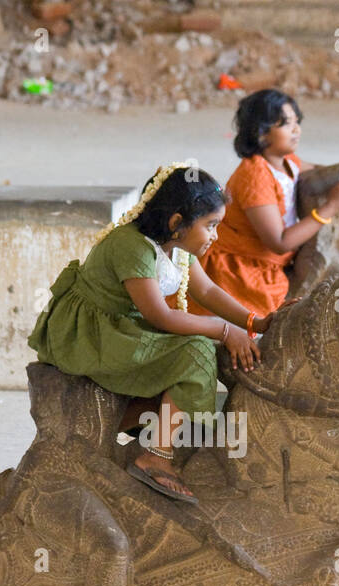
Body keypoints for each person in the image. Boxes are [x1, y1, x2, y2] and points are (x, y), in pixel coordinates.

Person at [28, 162, 262, 510]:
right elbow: (160, 316)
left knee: (203, 347)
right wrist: (224, 330)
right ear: (176, 223)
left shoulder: (178, 248)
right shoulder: (131, 246)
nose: (215, 235)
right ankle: (156, 456)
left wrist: (255, 322)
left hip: (126, 326)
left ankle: (143, 416)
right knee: (197, 349)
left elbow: (208, 292)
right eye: (210, 226)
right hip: (94, 334)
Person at [192, 89, 339, 320]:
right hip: (241, 271)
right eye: (285, 124)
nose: (296, 129)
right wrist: (331, 206)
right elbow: (280, 242)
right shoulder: (254, 176)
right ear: (261, 134)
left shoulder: (287, 161)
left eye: (296, 121)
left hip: (272, 264)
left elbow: (320, 173)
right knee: (263, 327)